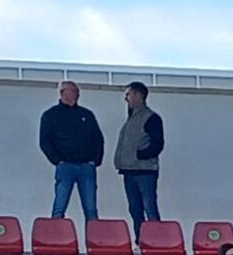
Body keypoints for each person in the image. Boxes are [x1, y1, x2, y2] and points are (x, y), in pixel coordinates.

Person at [42, 80, 106, 224]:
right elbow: (45, 141)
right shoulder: (51, 115)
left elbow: (98, 138)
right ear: (62, 92)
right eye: (73, 90)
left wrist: (95, 161)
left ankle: (94, 243)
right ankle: (55, 240)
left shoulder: (86, 114)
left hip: (86, 166)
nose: (77, 94)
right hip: (65, 166)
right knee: (59, 207)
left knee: (91, 210)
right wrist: (57, 160)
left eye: (77, 91)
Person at [115, 81, 165, 235]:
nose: (126, 98)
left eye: (128, 94)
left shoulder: (151, 118)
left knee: (149, 207)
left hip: (145, 171)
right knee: (135, 209)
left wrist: (140, 155)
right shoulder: (131, 119)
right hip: (129, 171)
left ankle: (157, 239)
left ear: (138, 95)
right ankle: (140, 240)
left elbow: (157, 144)